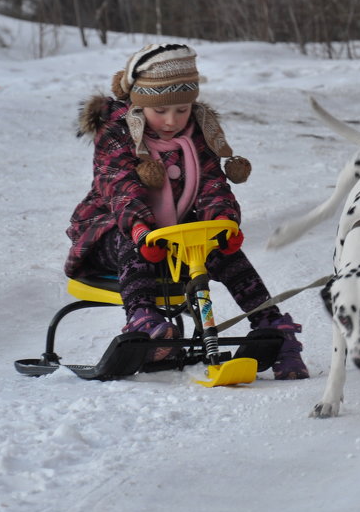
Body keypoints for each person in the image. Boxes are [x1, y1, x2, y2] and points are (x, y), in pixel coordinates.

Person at [64, 43, 309, 380]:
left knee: (223, 251)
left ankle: (271, 324)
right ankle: (144, 319)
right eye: (160, 111)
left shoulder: (197, 131)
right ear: (140, 103)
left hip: (175, 235)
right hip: (112, 229)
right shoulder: (117, 132)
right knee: (130, 243)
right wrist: (140, 229)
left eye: (181, 110)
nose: (171, 121)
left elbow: (212, 184)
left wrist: (223, 223)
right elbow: (118, 187)